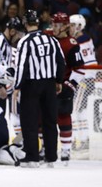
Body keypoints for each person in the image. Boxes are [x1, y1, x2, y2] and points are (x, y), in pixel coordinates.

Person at [12, 10, 66, 168]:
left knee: (29, 121)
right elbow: (61, 61)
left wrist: (17, 86)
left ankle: (32, 157)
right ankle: (51, 157)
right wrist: (58, 80)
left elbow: (22, 66)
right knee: (50, 120)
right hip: (49, 84)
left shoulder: (25, 41)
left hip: (31, 86)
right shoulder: (51, 39)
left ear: (25, 23)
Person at [49, 12, 84, 165]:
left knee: (63, 116)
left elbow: (79, 69)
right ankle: (45, 148)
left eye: (57, 25)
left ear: (65, 26)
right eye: (53, 24)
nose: (54, 28)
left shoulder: (72, 43)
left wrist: (69, 85)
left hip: (63, 85)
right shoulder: (47, 38)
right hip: (48, 85)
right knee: (45, 118)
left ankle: (65, 149)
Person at [69, 14, 97, 150]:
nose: (70, 28)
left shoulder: (81, 39)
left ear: (80, 26)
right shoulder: (85, 38)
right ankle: (83, 139)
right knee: (80, 110)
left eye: (73, 25)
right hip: (87, 77)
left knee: (73, 109)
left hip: (84, 78)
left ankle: (74, 140)